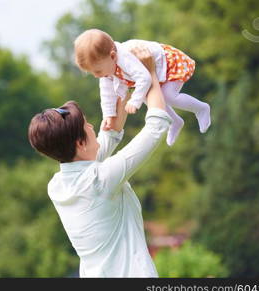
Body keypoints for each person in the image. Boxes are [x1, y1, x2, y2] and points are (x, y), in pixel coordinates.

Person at [28, 50, 172, 277]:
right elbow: (157, 125)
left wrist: (121, 77)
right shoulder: (100, 179)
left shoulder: (58, 186)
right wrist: (150, 73)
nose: (93, 126)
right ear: (80, 143)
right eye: (87, 126)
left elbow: (110, 134)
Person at [74, 28, 211, 146]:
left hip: (166, 63)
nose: (96, 76)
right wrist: (109, 116)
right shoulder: (106, 70)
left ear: (113, 56)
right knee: (148, 96)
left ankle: (201, 108)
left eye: (97, 71)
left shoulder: (125, 58)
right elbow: (106, 94)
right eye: (92, 73)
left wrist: (135, 101)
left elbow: (145, 78)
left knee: (168, 96)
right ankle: (175, 121)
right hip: (147, 72)